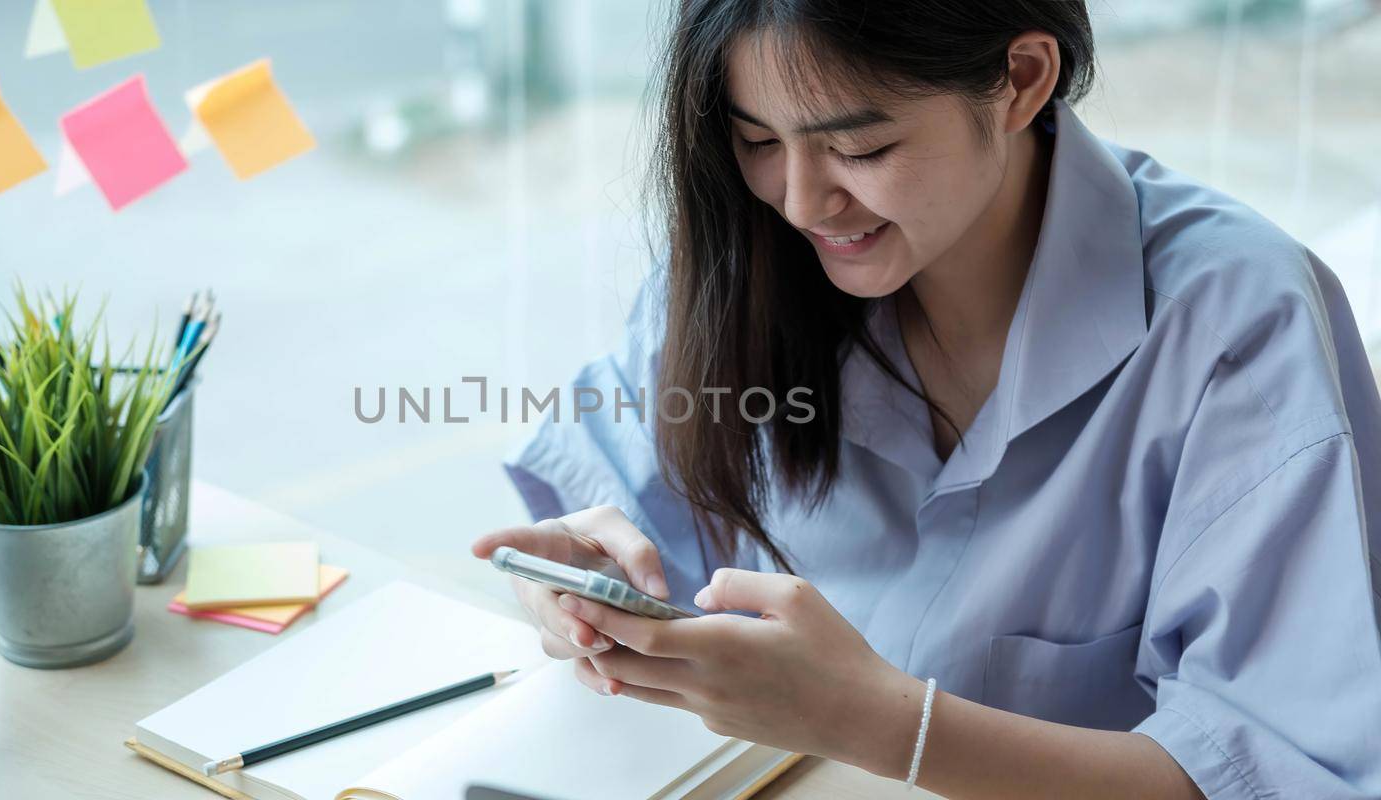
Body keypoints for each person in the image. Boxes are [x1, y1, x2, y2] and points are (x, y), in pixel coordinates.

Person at [470, 2, 1381, 798]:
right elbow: (620, 517)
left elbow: (1286, 770)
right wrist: (579, 594)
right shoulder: (746, 262)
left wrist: (885, 726)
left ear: (1021, 79)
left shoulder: (1236, 324)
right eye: (757, 141)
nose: (799, 200)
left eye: (861, 147)